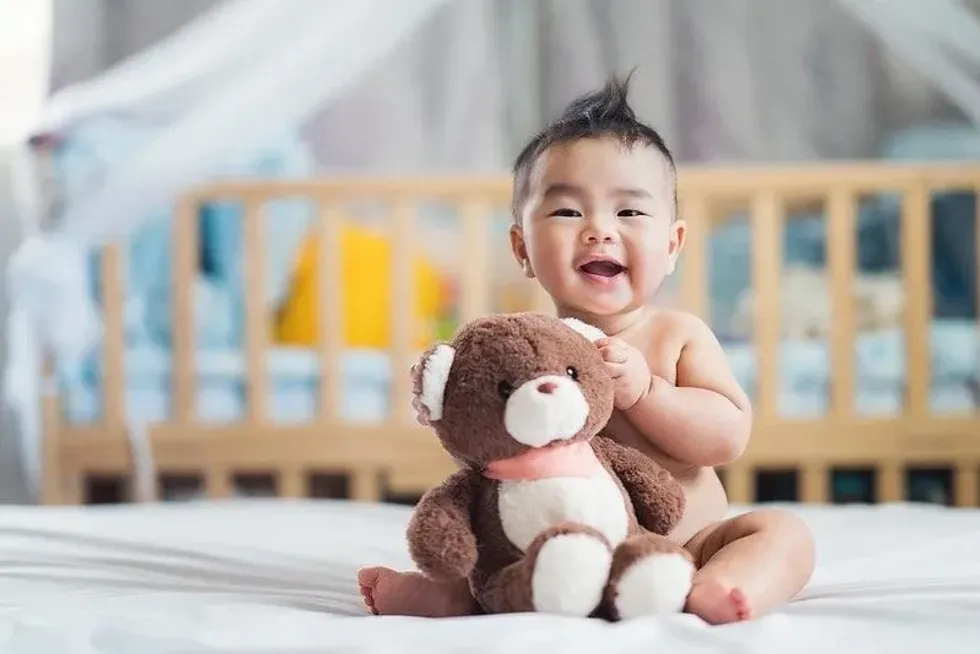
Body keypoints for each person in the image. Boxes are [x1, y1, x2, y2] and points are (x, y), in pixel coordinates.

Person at [357, 73, 815, 625]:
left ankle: (717, 586)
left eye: (630, 212)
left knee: (783, 533)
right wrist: (451, 409)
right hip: (552, 555)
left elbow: (727, 436)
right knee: (478, 565)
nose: (600, 229)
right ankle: (441, 596)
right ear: (521, 248)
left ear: (672, 245)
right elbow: (492, 459)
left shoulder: (677, 335)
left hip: (684, 549)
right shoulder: (518, 351)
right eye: (568, 212)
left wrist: (647, 393)